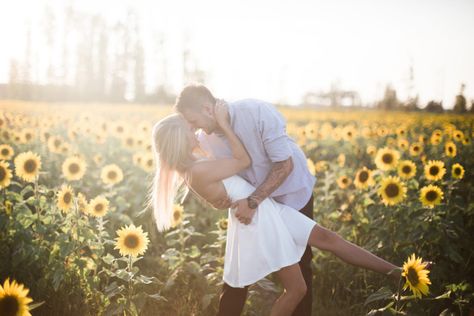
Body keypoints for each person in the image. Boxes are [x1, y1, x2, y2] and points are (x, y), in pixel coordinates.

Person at [149, 107, 401, 316]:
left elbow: (224, 188)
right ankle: (396, 274)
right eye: (189, 130)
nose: (196, 132)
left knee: (329, 239)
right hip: (258, 219)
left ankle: (397, 274)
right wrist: (224, 125)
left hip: (265, 208)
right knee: (296, 290)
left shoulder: (196, 167)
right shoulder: (197, 171)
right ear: (179, 140)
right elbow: (243, 161)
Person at [175, 84, 317, 316]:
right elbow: (213, 177)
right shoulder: (207, 138)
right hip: (252, 205)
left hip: (291, 194)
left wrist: (253, 201)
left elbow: (285, 165)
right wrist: (217, 199)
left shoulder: (257, 112)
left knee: (301, 262)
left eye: (192, 120)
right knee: (238, 270)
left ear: (207, 108)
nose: (192, 127)